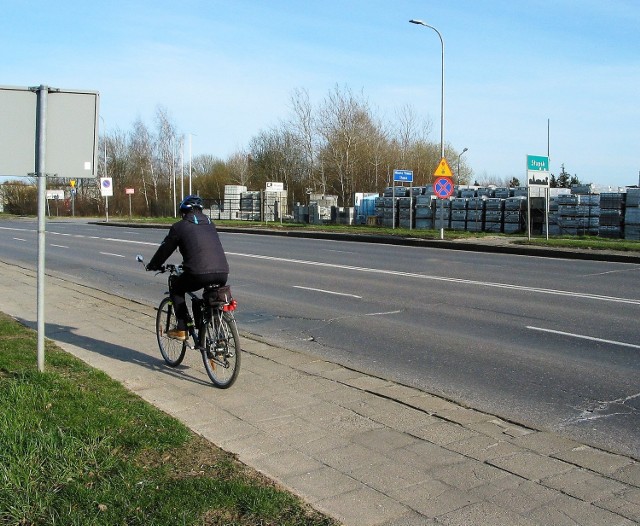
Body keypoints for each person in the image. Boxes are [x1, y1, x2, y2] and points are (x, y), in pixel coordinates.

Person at [146, 195, 229, 340]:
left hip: (198, 273)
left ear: (183, 212)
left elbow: (165, 249)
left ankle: (182, 328)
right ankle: (218, 337)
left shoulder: (179, 227)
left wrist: (154, 265)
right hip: (222, 272)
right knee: (211, 298)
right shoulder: (211, 224)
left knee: (176, 286)